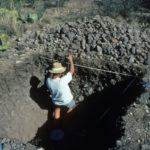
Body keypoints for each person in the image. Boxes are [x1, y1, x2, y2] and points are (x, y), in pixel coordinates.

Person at [46, 55, 75, 120]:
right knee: (71, 107)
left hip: (56, 102)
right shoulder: (62, 81)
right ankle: (67, 119)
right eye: (61, 73)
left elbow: (51, 77)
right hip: (67, 101)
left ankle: (56, 123)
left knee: (57, 108)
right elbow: (72, 71)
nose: (62, 73)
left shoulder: (48, 81)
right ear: (59, 74)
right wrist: (71, 60)